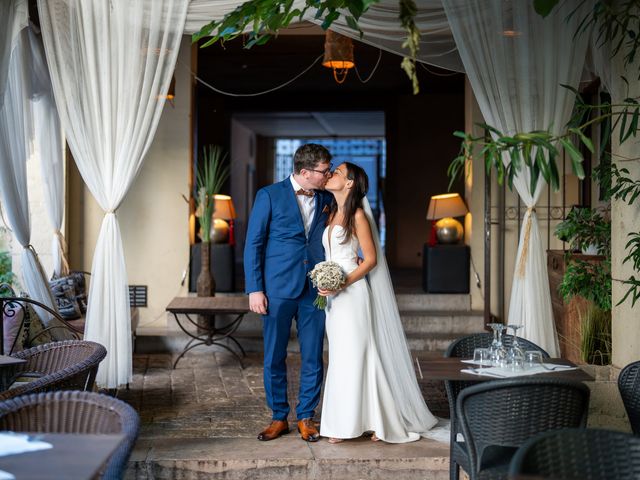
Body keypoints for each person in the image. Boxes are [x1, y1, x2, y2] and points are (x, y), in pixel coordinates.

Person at [318, 162, 438, 444]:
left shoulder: (357, 215)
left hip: (353, 294)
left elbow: (370, 260)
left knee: (356, 355)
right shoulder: (332, 212)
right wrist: (326, 281)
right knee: (343, 356)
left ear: (349, 183)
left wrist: (342, 283)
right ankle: (367, 419)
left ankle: (354, 424)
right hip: (334, 299)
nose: (331, 174)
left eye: (337, 172)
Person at [244, 143, 334, 442]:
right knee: (274, 356)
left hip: (315, 290)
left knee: (313, 356)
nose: (328, 174)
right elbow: (253, 244)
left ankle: (306, 416)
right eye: (324, 171)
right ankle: (278, 417)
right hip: (277, 288)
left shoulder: (326, 197)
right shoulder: (269, 195)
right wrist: (255, 288)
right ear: (305, 172)